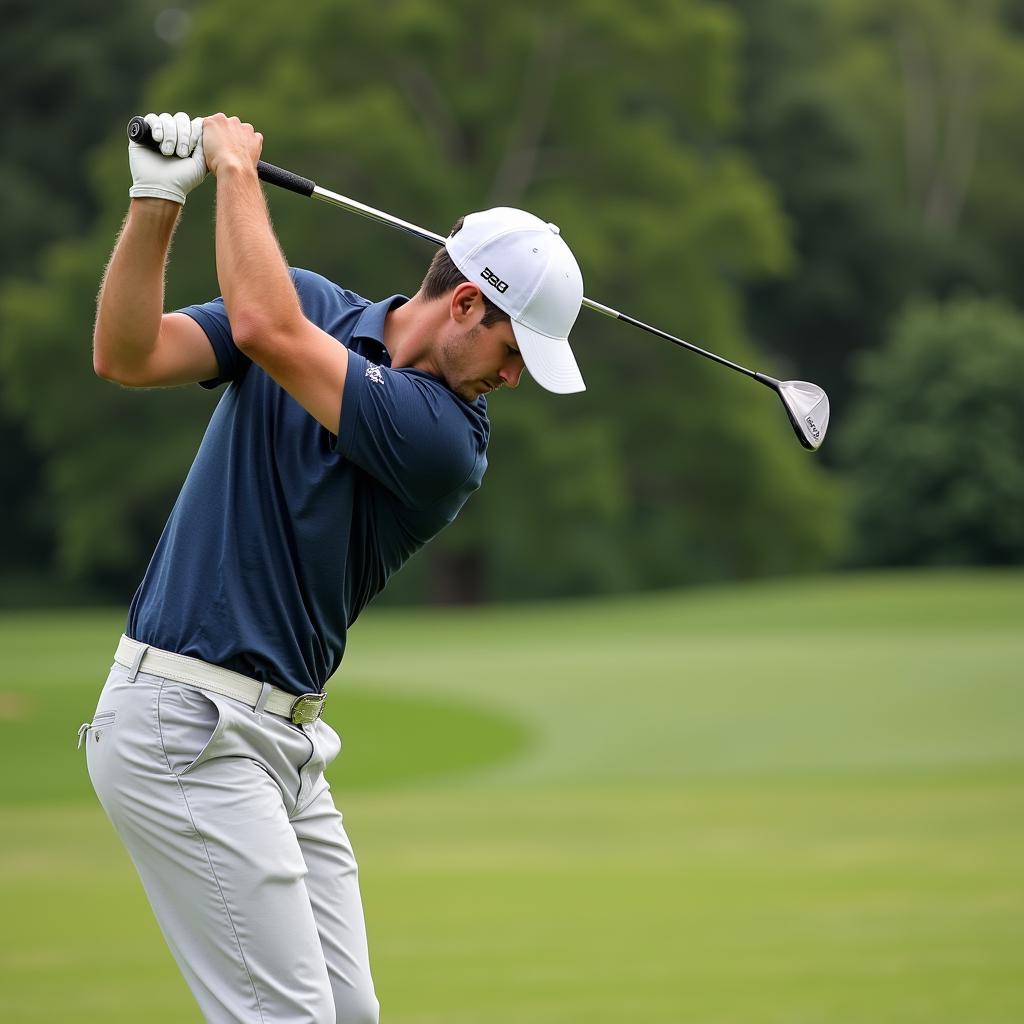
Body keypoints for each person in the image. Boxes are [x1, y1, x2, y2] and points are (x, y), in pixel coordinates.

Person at [78, 110, 586, 1024]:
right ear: (466, 302)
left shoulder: (448, 441)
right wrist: (158, 197)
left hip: (285, 748)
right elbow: (126, 352)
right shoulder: (305, 298)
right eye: (515, 353)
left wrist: (233, 172)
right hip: (183, 723)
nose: (512, 382)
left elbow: (269, 330)